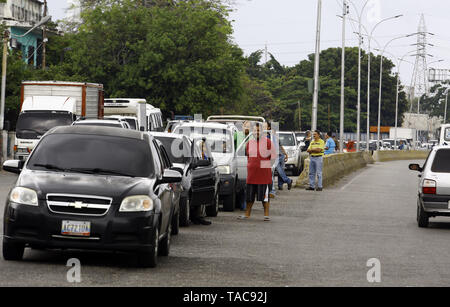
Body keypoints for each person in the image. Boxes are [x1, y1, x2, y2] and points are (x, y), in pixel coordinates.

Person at [239, 123, 276, 221]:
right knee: (249, 197)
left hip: (263, 175)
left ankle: (266, 215)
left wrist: (263, 166)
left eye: (258, 130)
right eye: (255, 130)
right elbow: (248, 157)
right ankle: (247, 214)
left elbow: (273, 158)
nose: (256, 132)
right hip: (251, 175)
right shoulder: (249, 143)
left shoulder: (268, 142)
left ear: (262, 132)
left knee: (265, 197)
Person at [191, 139, 212, 226]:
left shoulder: (205, 156)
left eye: (206, 146)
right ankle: (196, 216)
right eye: (203, 146)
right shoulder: (196, 154)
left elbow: (209, 163)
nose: (205, 148)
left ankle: (199, 216)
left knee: (202, 196)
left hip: (200, 177)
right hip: (193, 177)